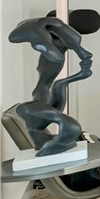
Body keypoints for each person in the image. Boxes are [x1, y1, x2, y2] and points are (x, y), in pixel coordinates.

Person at [7, 17, 93, 156]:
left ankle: (59, 137)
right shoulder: (54, 44)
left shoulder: (56, 48)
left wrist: (81, 67)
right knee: (70, 125)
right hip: (39, 104)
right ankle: (60, 137)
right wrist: (82, 61)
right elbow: (13, 37)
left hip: (39, 104)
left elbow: (14, 37)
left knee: (49, 99)